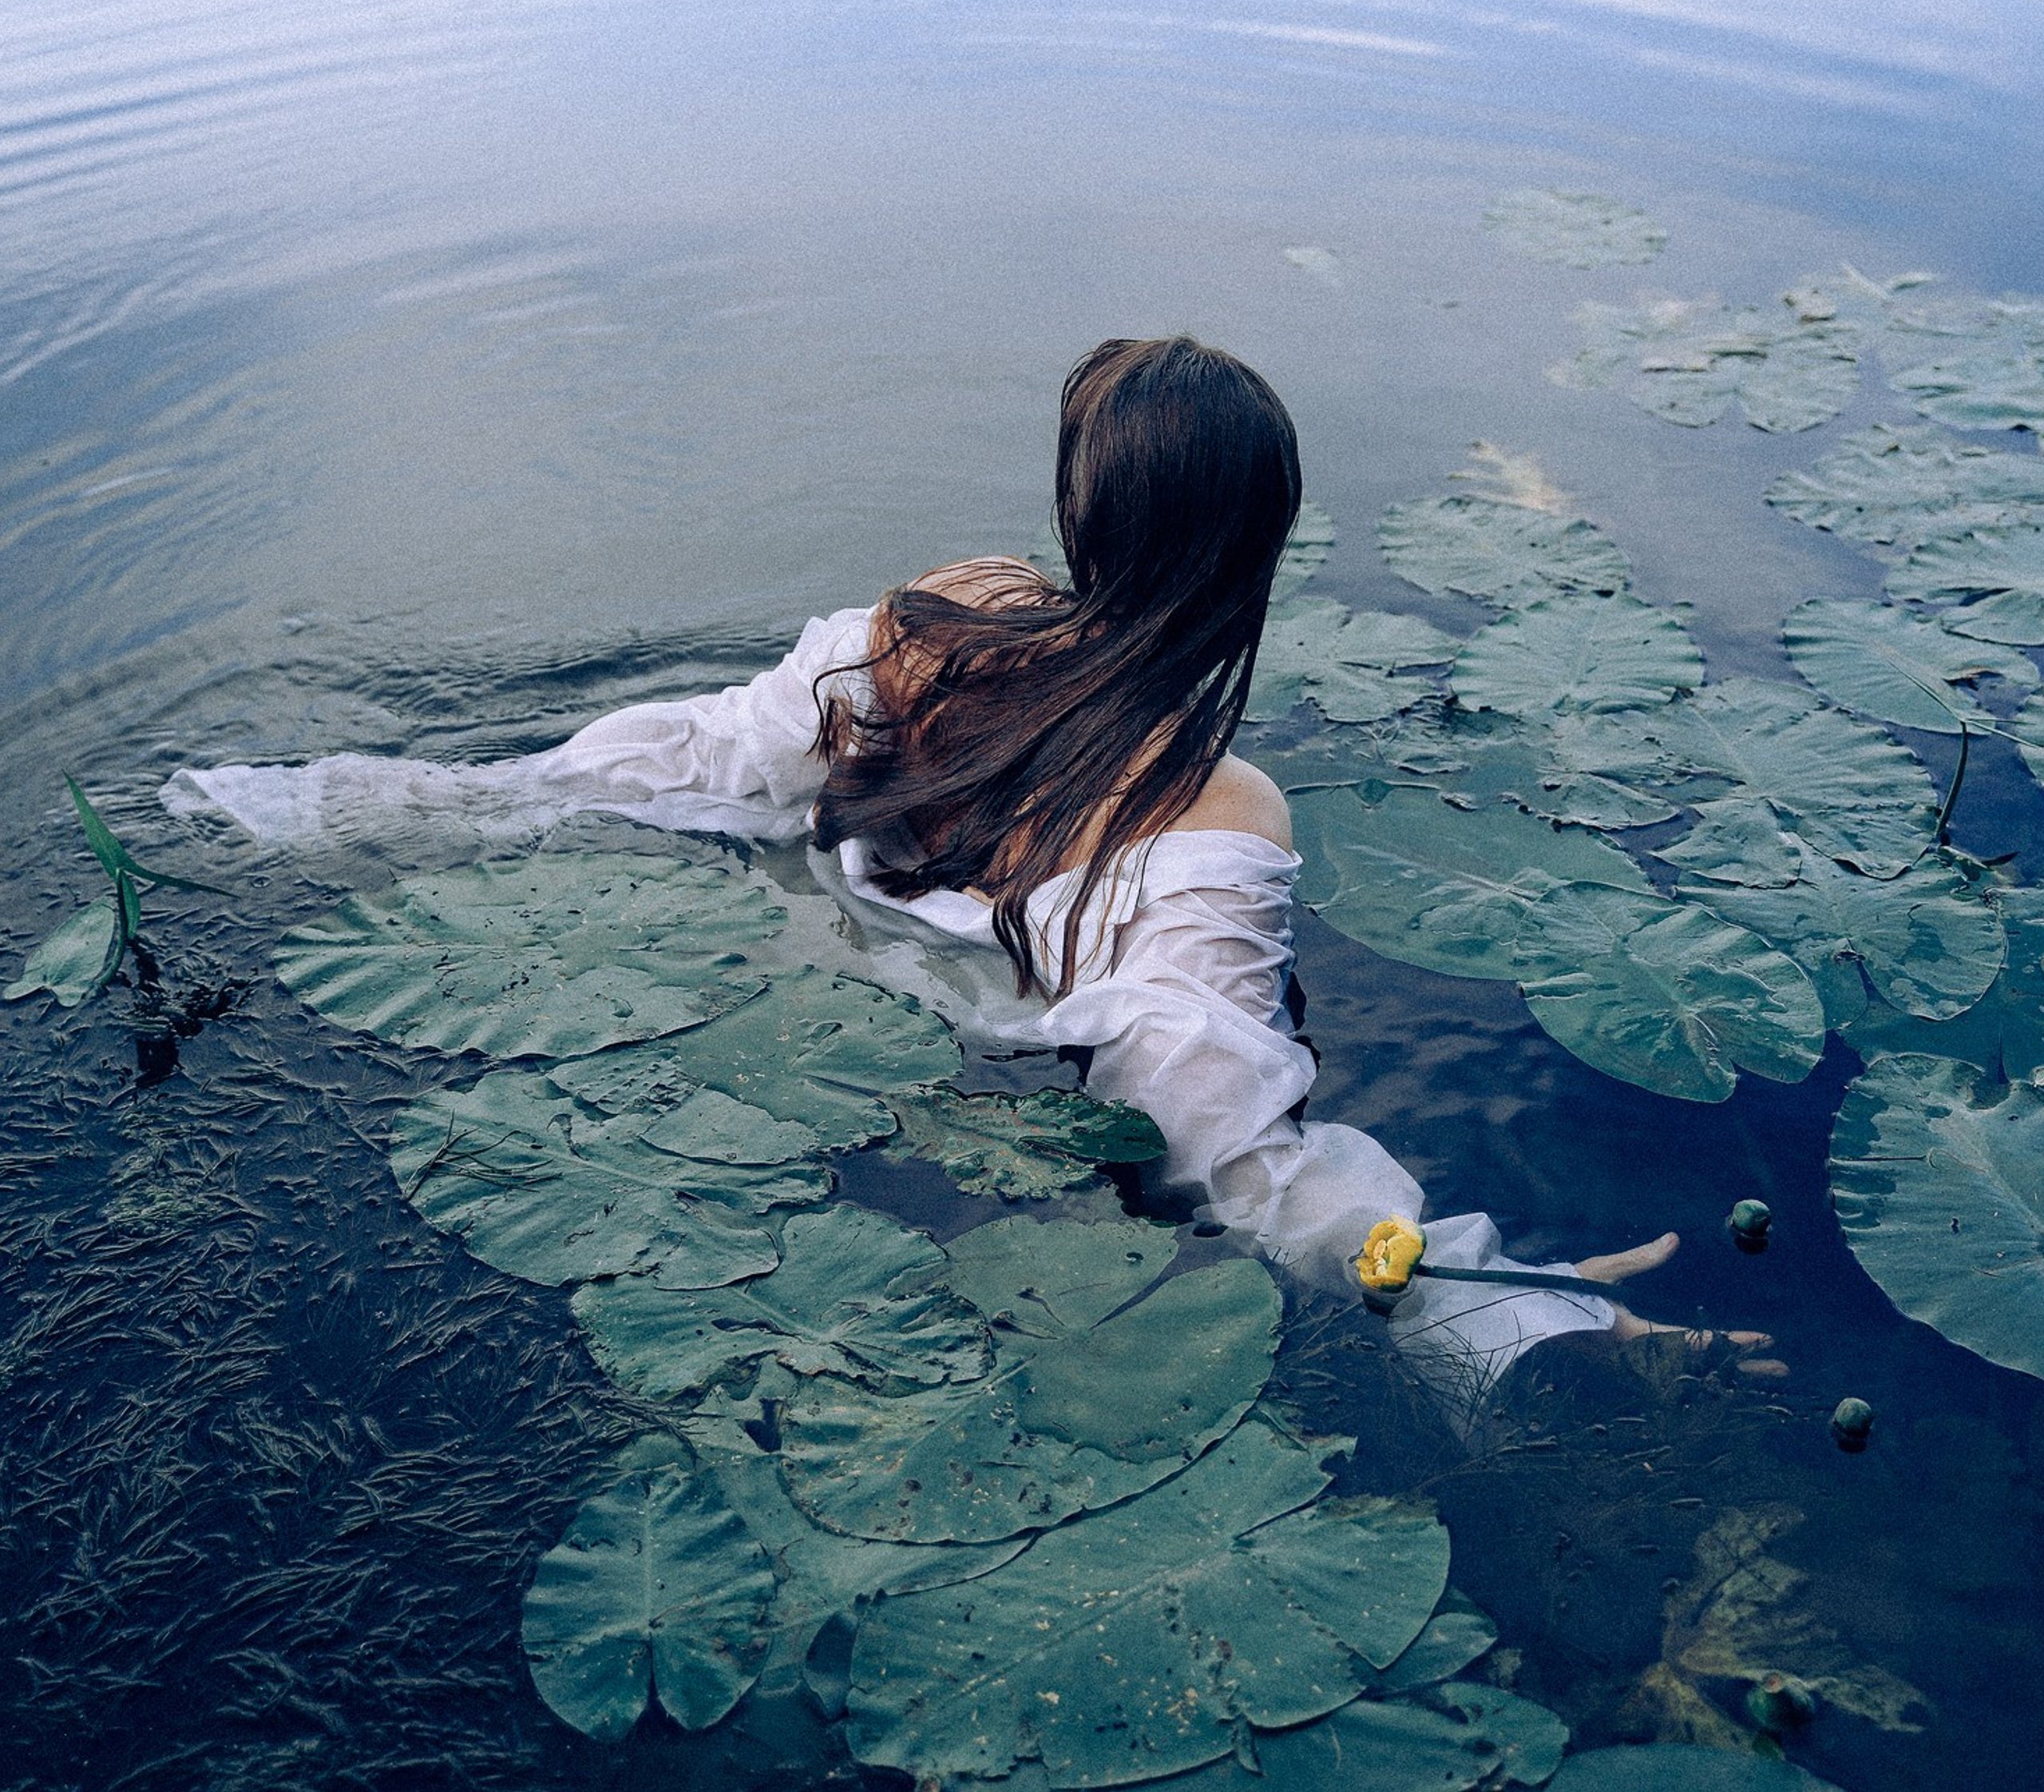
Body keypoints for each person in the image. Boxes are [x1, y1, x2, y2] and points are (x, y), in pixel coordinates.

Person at [164, 334, 1767, 1404]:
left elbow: (691, 760)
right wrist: (1476, 1290)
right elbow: (1215, 1133)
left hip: (772, 983)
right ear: (1258, 551)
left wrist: (387, 803)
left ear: (1079, 508)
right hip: (951, 1111)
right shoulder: (1218, 808)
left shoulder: (942, 621)